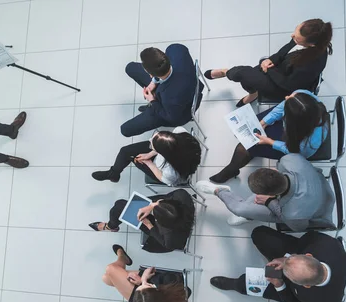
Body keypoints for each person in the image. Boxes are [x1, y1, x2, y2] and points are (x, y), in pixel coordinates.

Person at [210, 226, 346, 302]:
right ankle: (287, 262)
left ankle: (236, 284)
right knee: (260, 234)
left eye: (286, 273)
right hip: (296, 252)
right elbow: (306, 238)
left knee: (245, 283)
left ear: (305, 286)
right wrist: (285, 259)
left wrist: (280, 285)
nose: (281, 266)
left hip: (288, 289)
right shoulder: (327, 244)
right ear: (309, 255)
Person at [204, 19, 333, 107]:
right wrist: (271, 61)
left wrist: (268, 69)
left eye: (296, 38)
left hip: (282, 87)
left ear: (310, 44)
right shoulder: (308, 40)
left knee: (242, 74)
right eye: (295, 31)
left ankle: (225, 72)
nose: (292, 36)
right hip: (278, 70)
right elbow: (286, 49)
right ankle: (252, 93)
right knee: (247, 78)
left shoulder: (310, 64)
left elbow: (288, 85)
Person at [210, 89, 329, 183]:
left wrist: (270, 142)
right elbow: (281, 107)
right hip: (294, 127)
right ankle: (250, 154)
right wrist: (264, 123)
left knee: (244, 147)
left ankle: (231, 169)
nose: (286, 97)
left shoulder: (309, 143)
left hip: (294, 145)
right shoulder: (301, 95)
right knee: (251, 129)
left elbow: (293, 150)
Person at [196, 154, 334, 229]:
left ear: (271, 195)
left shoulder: (293, 214)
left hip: (317, 212)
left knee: (240, 208)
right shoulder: (290, 159)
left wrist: (269, 202)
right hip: (320, 185)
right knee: (251, 205)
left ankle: (219, 191)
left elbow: (297, 227)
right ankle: (250, 213)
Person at [121, 44, 203, 137]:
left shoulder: (170, 99)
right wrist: (154, 82)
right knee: (130, 68)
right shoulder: (175, 49)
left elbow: (171, 117)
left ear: (150, 74)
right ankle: (152, 103)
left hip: (176, 111)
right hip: (188, 82)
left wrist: (152, 101)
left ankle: (151, 106)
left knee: (125, 130)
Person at [103, 245, 190, 302]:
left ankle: (122, 258)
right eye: (146, 285)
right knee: (108, 276)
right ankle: (123, 258)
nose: (142, 284)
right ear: (157, 291)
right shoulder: (171, 283)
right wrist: (143, 280)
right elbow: (187, 290)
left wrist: (143, 280)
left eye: (140, 286)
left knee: (107, 276)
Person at [89, 189, 195, 253]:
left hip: (160, 232)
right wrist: (152, 206)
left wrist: (149, 225)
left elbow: (166, 244)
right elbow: (167, 197)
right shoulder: (182, 196)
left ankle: (111, 226)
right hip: (175, 214)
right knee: (123, 205)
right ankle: (112, 225)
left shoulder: (168, 235)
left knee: (120, 206)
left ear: (158, 221)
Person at [91, 126, 201, 186]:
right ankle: (113, 173)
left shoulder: (171, 173)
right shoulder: (179, 131)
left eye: (153, 146)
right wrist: (150, 153)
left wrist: (149, 162)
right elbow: (166, 148)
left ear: (163, 152)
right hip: (167, 154)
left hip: (160, 170)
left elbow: (161, 177)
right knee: (125, 151)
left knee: (134, 158)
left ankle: (113, 174)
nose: (150, 143)